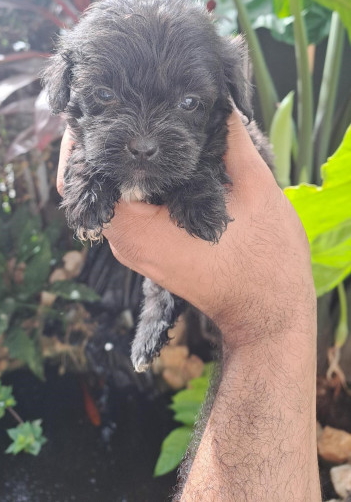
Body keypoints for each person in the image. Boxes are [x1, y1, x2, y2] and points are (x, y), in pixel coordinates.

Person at [57, 110, 321, 501]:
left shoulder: (218, 121)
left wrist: (266, 316)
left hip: (215, 196)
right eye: (107, 97)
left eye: (188, 100)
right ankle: (157, 318)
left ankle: (159, 315)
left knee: (169, 280)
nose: (143, 138)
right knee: (162, 284)